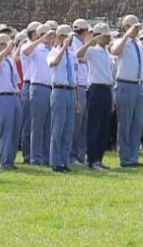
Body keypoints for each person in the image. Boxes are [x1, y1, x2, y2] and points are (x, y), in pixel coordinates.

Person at [76, 22, 114, 170]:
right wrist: (90, 42)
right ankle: (92, 159)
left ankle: (99, 158)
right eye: (106, 36)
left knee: (104, 127)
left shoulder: (107, 52)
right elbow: (78, 54)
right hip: (96, 89)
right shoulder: (93, 50)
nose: (108, 39)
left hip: (106, 89)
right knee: (94, 126)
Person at [111, 15, 143, 167]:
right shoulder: (121, 42)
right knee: (125, 123)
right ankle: (125, 158)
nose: (137, 30)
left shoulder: (139, 45)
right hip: (125, 84)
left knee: (137, 123)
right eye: (134, 27)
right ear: (126, 27)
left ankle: (134, 157)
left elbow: (142, 69)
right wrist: (126, 35)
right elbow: (114, 51)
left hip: (138, 85)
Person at [46, 25, 79, 173]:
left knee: (68, 128)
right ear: (60, 37)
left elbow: (75, 78)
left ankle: (64, 160)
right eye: (67, 37)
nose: (70, 40)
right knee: (58, 127)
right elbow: (53, 63)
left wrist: (77, 99)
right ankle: (55, 161)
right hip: (59, 90)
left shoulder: (72, 55)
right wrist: (63, 47)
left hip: (70, 91)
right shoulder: (53, 52)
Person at [22, 24, 54, 166]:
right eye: (47, 35)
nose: (50, 37)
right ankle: (35, 157)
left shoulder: (52, 50)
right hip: (38, 87)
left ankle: (46, 156)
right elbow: (25, 51)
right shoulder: (36, 48)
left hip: (51, 87)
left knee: (48, 124)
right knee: (37, 124)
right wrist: (40, 40)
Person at [0, 33, 22, 169]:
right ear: (1, 45)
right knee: (6, 130)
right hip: (2, 96)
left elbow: (15, 80)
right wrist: (5, 50)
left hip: (14, 95)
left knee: (15, 130)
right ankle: (4, 161)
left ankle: (11, 159)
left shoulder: (10, 61)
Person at [70, 19, 90, 165]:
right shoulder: (73, 43)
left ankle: (81, 154)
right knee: (76, 123)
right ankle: (73, 155)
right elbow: (76, 57)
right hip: (78, 85)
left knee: (84, 123)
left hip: (86, 85)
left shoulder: (83, 43)